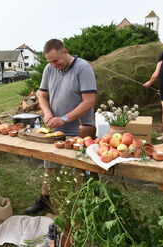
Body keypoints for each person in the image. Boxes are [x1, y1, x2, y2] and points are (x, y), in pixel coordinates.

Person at [25, 39, 96, 214]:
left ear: (65, 51)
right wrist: (47, 113)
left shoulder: (83, 68)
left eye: (56, 61)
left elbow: (89, 101)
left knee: (77, 167)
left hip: (80, 129)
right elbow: (42, 95)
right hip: (56, 129)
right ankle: (45, 199)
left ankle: (78, 204)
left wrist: (64, 118)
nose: (53, 65)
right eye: (50, 62)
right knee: (49, 164)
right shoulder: (50, 68)